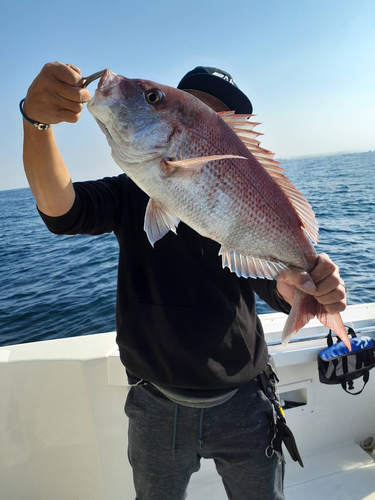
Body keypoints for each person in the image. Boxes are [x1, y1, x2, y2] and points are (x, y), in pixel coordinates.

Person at [22, 62, 347, 500]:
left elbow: (274, 282)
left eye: (227, 120)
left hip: (246, 401)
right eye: (197, 107)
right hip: (155, 405)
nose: (217, 125)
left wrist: (302, 289)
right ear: (183, 114)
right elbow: (62, 209)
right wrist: (37, 122)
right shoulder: (132, 191)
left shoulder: (236, 195)